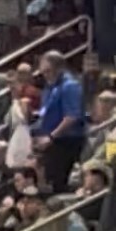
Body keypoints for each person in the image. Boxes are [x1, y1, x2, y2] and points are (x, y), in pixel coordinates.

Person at [36, 48, 85, 193]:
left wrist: (51, 137)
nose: (45, 75)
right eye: (43, 72)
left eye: (48, 71)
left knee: (57, 182)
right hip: (49, 138)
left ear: (59, 68)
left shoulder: (70, 86)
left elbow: (72, 117)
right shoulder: (49, 86)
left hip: (66, 141)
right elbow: (45, 112)